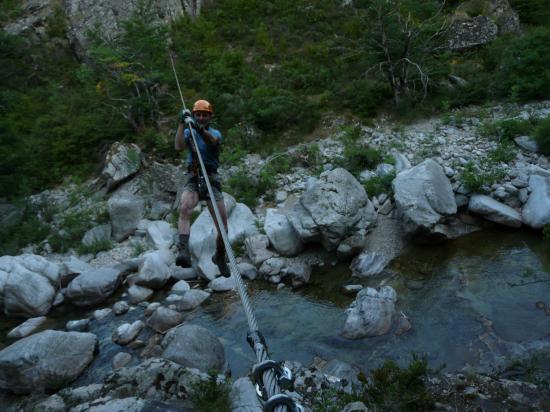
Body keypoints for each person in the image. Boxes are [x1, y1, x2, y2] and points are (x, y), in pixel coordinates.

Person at [174, 99, 230, 277]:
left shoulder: (215, 132)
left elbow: (212, 142)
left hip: (211, 177)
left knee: (223, 227)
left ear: (209, 117)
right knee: (184, 208)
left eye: (204, 115)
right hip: (194, 174)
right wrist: (182, 124)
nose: (201, 117)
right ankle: (183, 251)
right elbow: (178, 146)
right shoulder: (189, 132)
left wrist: (199, 128)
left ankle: (220, 255)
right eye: (198, 114)